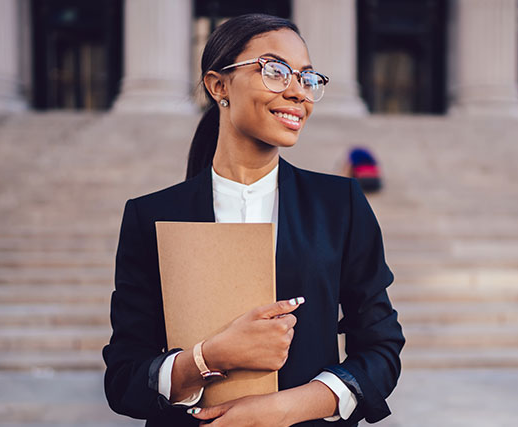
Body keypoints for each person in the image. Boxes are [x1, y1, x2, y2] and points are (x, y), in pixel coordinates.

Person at [103, 13, 405, 427]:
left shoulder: (341, 205)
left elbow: (381, 350)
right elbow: (123, 379)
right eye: (276, 72)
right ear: (218, 85)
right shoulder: (151, 216)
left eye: (307, 78)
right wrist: (210, 357)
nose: (299, 92)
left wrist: (286, 408)